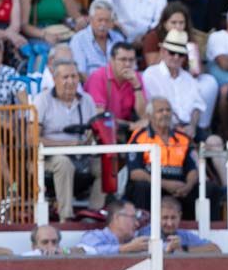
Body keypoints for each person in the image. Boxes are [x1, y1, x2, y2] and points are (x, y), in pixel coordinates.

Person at [34, 60, 104, 218]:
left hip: (81, 154)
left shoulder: (87, 100)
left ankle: (93, 214)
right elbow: (32, 139)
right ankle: (66, 216)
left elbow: (93, 132)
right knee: (63, 163)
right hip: (48, 157)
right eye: (65, 77)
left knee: (105, 165)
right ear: (55, 79)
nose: (71, 81)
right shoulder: (42, 100)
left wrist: (90, 139)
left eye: (74, 76)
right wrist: (67, 144)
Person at [126, 96, 201, 210]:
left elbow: (192, 169)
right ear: (149, 116)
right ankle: (144, 220)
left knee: (208, 189)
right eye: (160, 111)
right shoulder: (139, 137)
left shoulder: (183, 138)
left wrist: (188, 186)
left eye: (168, 110)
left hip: (179, 185)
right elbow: (135, 173)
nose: (165, 113)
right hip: (152, 184)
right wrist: (165, 184)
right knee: (141, 187)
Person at [143, 29, 218, 136]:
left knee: (215, 141)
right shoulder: (151, 75)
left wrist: (192, 126)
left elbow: (197, 107)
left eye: (181, 54)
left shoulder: (188, 78)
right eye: (172, 53)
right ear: (163, 51)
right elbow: (154, 108)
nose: (176, 57)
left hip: (188, 127)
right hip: (162, 128)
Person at [84, 41, 146, 134]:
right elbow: (100, 117)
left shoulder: (136, 77)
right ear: (112, 60)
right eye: (123, 60)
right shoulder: (98, 77)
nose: (128, 64)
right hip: (103, 132)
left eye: (131, 60)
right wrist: (130, 125)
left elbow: (143, 114)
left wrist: (137, 86)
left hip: (127, 130)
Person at [134, 194, 221, 252]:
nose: (169, 223)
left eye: (173, 218)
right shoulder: (146, 233)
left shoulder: (185, 235)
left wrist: (183, 249)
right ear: (155, 217)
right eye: (165, 218)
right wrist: (170, 249)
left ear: (180, 216)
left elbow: (215, 249)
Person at [142, 2, 204, 73]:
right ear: (164, 24)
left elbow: (196, 70)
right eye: (173, 23)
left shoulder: (189, 38)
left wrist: (192, 52)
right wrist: (167, 45)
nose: (178, 27)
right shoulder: (152, 37)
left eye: (181, 23)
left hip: (180, 75)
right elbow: (152, 67)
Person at [79, 197, 151, 254]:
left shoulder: (136, 237)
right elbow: (85, 251)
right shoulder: (94, 236)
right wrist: (126, 248)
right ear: (117, 218)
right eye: (133, 218)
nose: (137, 224)